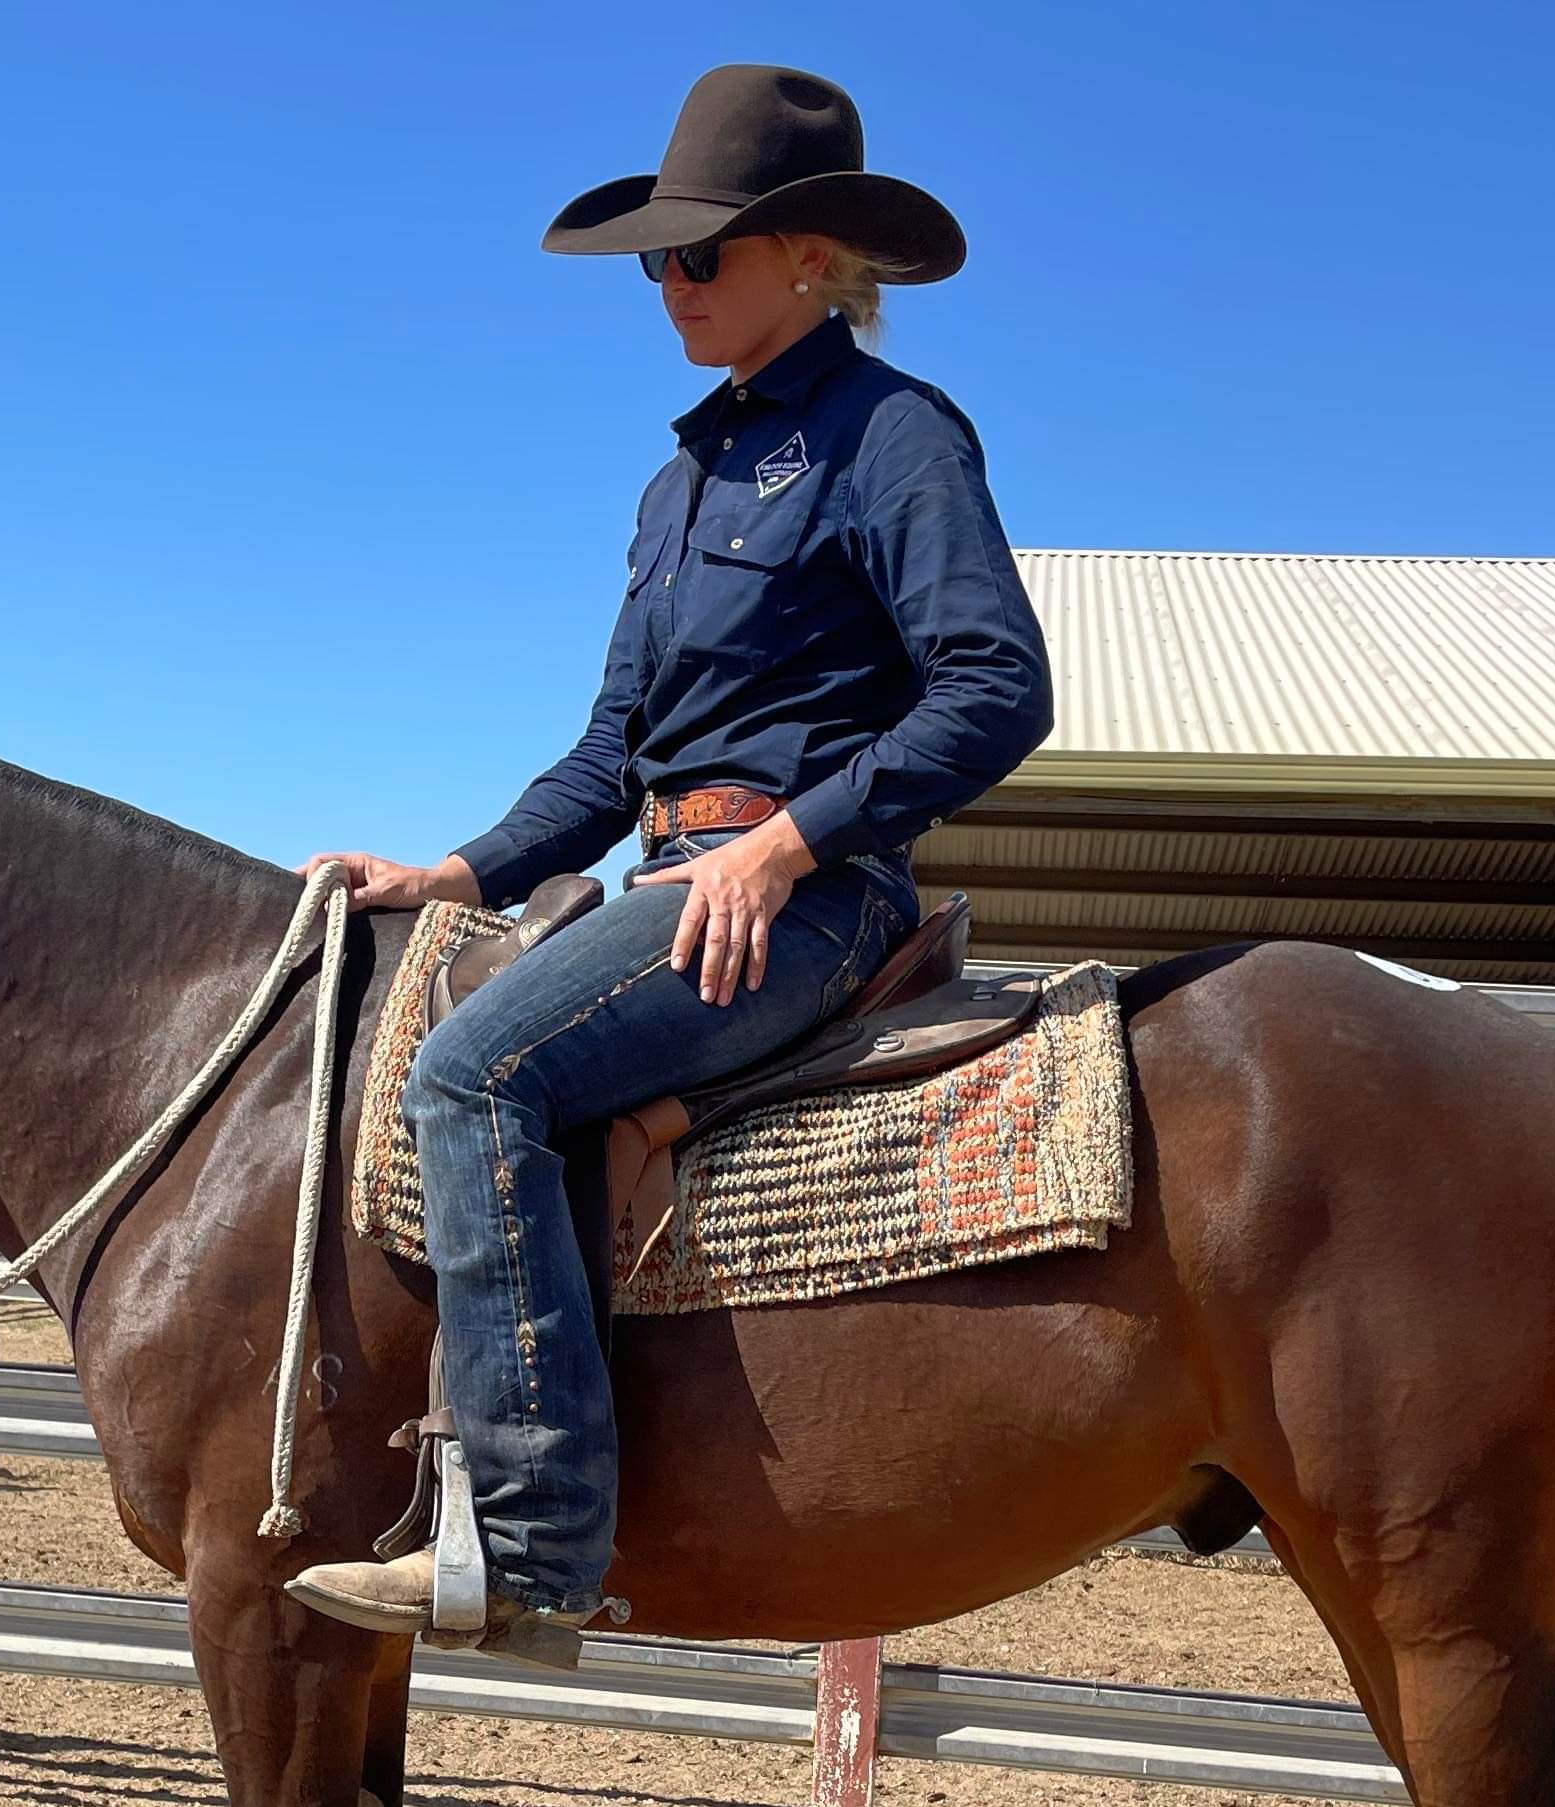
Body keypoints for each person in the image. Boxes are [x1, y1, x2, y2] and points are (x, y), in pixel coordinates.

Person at [290, 63, 1053, 1657]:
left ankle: (529, 1542)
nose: (670, 285)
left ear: (813, 257)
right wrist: (455, 874)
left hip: (812, 899)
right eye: (655, 261)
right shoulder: (677, 485)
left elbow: (997, 689)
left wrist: (787, 842)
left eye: (699, 252)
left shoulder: (894, 437)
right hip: (671, 880)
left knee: (470, 1075)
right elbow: (607, 760)